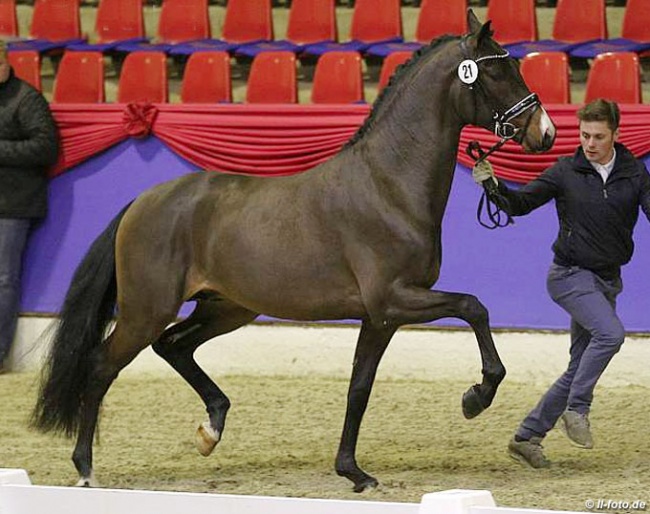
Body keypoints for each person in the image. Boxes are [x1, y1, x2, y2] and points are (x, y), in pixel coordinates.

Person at [472, 98, 650, 468]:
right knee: (611, 335)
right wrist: (492, 184)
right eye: (585, 135)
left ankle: (527, 437)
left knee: (578, 367)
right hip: (569, 275)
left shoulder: (633, 173)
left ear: (615, 135)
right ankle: (578, 410)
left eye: (598, 136)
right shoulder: (565, 171)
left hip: (607, 281)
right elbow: (520, 204)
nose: (590, 143)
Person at [0, 41, 59, 373]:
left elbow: (45, 147)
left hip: (14, 203)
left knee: (4, 279)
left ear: (5, 66)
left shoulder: (27, 99)